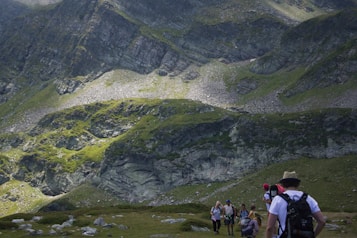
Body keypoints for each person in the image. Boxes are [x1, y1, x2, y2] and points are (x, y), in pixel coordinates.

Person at [266, 171, 326, 238]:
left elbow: (270, 228)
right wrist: (312, 235)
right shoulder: (308, 198)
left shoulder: (278, 199)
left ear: (282, 184)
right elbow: (322, 221)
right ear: (297, 184)